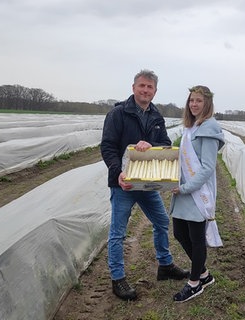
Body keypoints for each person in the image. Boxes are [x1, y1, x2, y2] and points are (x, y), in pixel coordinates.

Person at [100, 69, 189, 301]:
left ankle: (165, 265)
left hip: (147, 182)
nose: (145, 90)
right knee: (118, 232)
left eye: (150, 87)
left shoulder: (156, 117)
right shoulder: (118, 114)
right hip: (124, 185)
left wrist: (149, 144)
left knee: (161, 221)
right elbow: (107, 146)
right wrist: (118, 173)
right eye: (142, 86)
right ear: (133, 88)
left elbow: (165, 144)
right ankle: (117, 278)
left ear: (155, 91)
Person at [170, 85, 225, 303]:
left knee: (196, 239)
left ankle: (194, 284)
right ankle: (204, 274)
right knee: (179, 234)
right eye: (192, 100)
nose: (194, 104)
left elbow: (207, 167)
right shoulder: (190, 126)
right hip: (183, 190)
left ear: (207, 103)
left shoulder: (209, 127)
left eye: (199, 101)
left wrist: (185, 187)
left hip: (196, 192)